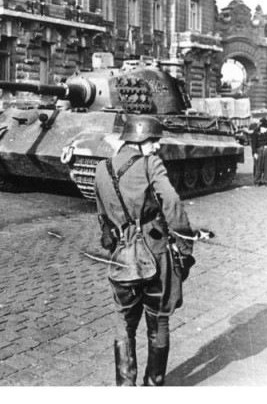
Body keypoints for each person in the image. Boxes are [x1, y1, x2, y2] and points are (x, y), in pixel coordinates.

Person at [94, 115, 194, 386]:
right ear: (139, 140)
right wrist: (185, 247)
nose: (156, 146)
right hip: (156, 252)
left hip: (122, 257)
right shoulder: (150, 164)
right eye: (153, 140)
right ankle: (153, 386)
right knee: (158, 321)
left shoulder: (102, 168)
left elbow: (102, 216)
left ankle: (125, 387)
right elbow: (172, 202)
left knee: (123, 322)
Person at [250, 117, 267, 186]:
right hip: (258, 150)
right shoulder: (256, 133)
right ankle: (257, 181)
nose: (266, 130)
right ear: (261, 127)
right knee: (258, 166)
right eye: (265, 128)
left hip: (266, 150)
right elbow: (253, 144)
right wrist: (254, 153)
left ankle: (266, 181)